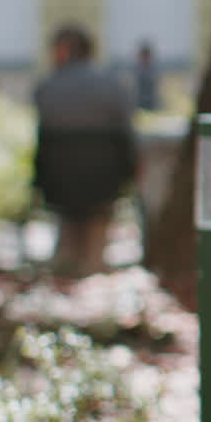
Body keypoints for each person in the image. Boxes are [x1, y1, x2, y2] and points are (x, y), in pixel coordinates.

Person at [34, 23, 138, 277]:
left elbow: (43, 141)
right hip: (104, 181)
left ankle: (69, 271)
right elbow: (126, 138)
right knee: (95, 235)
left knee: (69, 232)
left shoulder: (47, 88)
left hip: (60, 183)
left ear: (63, 51)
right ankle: (92, 269)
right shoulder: (114, 87)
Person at [133, 39, 161, 111]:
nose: (146, 58)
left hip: (151, 104)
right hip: (139, 104)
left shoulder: (154, 69)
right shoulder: (137, 69)